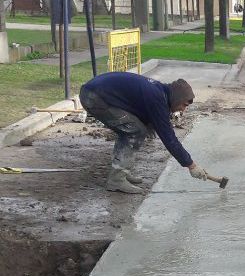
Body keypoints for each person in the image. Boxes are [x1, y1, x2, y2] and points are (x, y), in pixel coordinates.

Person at [79, 73, 209, 194]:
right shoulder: (157, 98)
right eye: (184, 105)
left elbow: (140, 109)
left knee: (133, 129)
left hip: (96, 92)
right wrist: (191, 165)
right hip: (94, 97)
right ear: (176, 98)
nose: (183, 110)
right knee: (135, 132)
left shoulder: (160, 91)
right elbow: (169, 139)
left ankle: (121, 170)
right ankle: (116, 179)